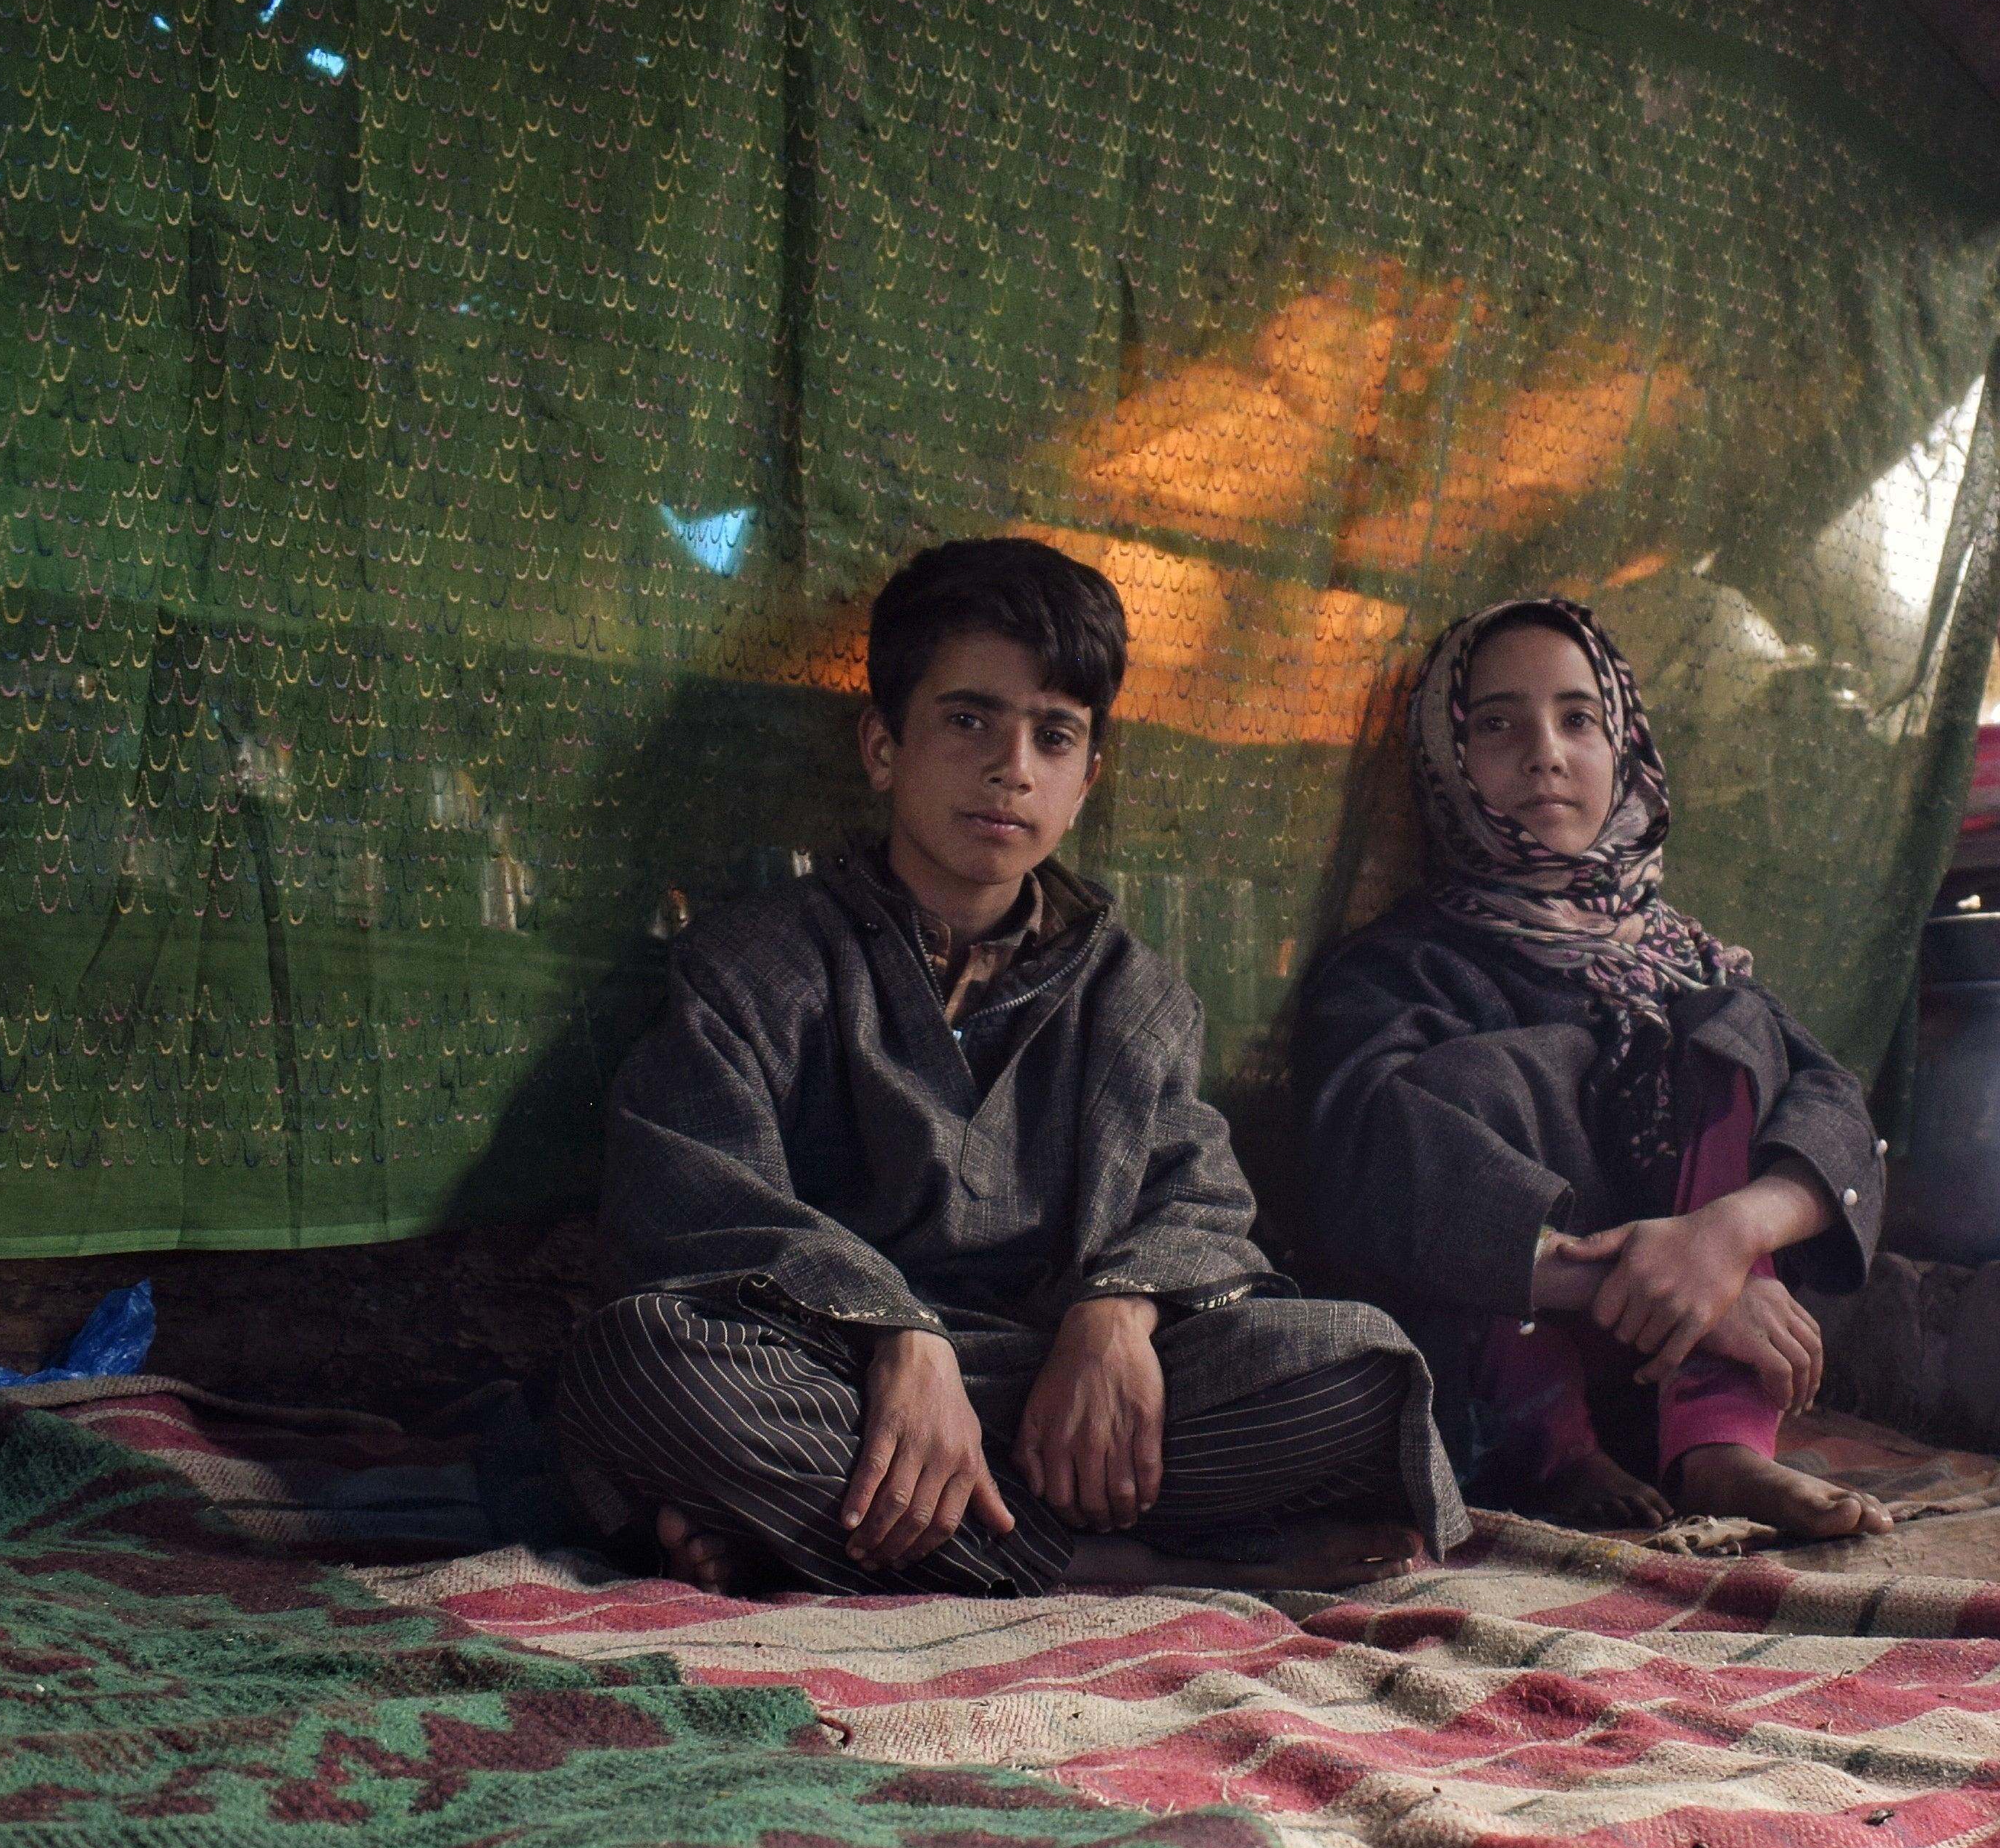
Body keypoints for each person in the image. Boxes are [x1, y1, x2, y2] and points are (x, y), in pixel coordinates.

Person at [558, 534, 1458, 1597]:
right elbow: (694, 1199)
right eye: (969, 718)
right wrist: (897, 1331)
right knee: (639, 1364)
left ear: (1086, 780)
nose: (1011, 767)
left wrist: (1115, 1316)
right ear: (884, 747)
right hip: (839, 1382)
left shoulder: (1139, 998)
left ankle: (809, 1539)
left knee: (1363, 1366)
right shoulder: (756, 962)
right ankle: (1122, 1566)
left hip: (1056, 1404)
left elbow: (1200, 1201)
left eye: (1055, 735)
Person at [1296, 596, 1893, 1542]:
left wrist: (1730, 1240)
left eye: (1578, 718)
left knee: (1737, 1040)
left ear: (1623, 746)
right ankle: (1554, 1452)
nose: (1545, 751)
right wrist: (1645, 1277)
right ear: (1445, 759)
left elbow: (1839, 1114)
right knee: (1453, 1092)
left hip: (1677, 1358)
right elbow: (1366, 1167)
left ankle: (1719, 1445)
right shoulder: (1401, 968)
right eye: (1497, 724)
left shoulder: (1690, 958)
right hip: (1493, 1389)